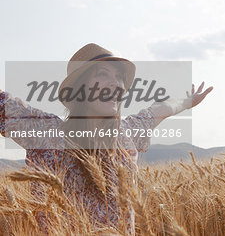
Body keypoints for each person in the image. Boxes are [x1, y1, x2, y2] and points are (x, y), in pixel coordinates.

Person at [0, 43, 213, 235]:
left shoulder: (127, 133)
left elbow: (161, 109)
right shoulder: (47, 134)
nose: (117, 84)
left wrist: (187, 101)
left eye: (119, 77)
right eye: (103, 74)